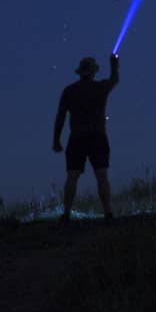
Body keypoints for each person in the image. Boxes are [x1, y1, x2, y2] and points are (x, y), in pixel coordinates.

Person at [52, 53, 120, 224]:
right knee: (102, 175)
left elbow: (60, 117)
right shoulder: (100, 88)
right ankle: (108, 213)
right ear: (93, 72)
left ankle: (66, 214)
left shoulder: (69, 91)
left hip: (77, 137)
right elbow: (114, 79)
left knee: (72, 176)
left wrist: (56, 140)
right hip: (97, 136)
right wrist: (114, 65)